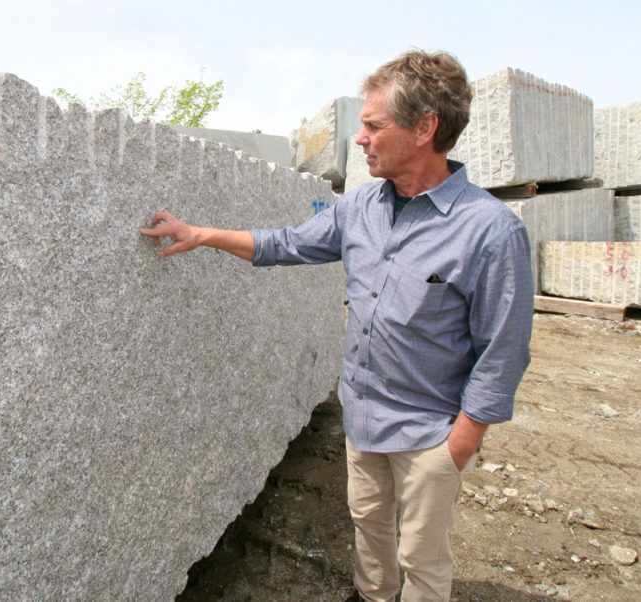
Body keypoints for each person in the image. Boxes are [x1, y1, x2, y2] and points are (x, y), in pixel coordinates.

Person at [140, 49, 533, 602]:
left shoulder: (489, 231)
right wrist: (203, 234)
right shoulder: (359, 208)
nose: (360, 139)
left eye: (374, 126)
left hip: (429, 431)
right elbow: (288, 244)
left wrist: (461, 441)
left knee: (422, 553)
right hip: (364, 413)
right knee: (369, 526)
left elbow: (504, 351)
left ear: (425, 128)